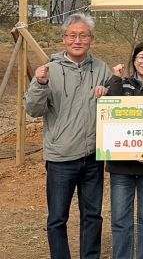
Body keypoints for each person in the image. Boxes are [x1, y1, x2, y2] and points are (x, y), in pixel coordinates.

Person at [24, 13, 112, 259]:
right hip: (61, 158)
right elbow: (33, 110)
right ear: (63, 39)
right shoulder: (49, 71)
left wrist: (109, 92)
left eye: (83, 35)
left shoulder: (101, 69)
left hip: (93, 156)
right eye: (72, 35)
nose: (77, 40)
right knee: (57, 218)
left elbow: (116, 104)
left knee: (92, 215)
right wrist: (40, 84)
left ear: (91, 39)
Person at [102, 40, 143, 259]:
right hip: (121, 165)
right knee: (120, 220)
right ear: (134, 60)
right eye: (141, 57)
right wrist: (115, 78)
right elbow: (111, 112)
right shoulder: (122, 84)